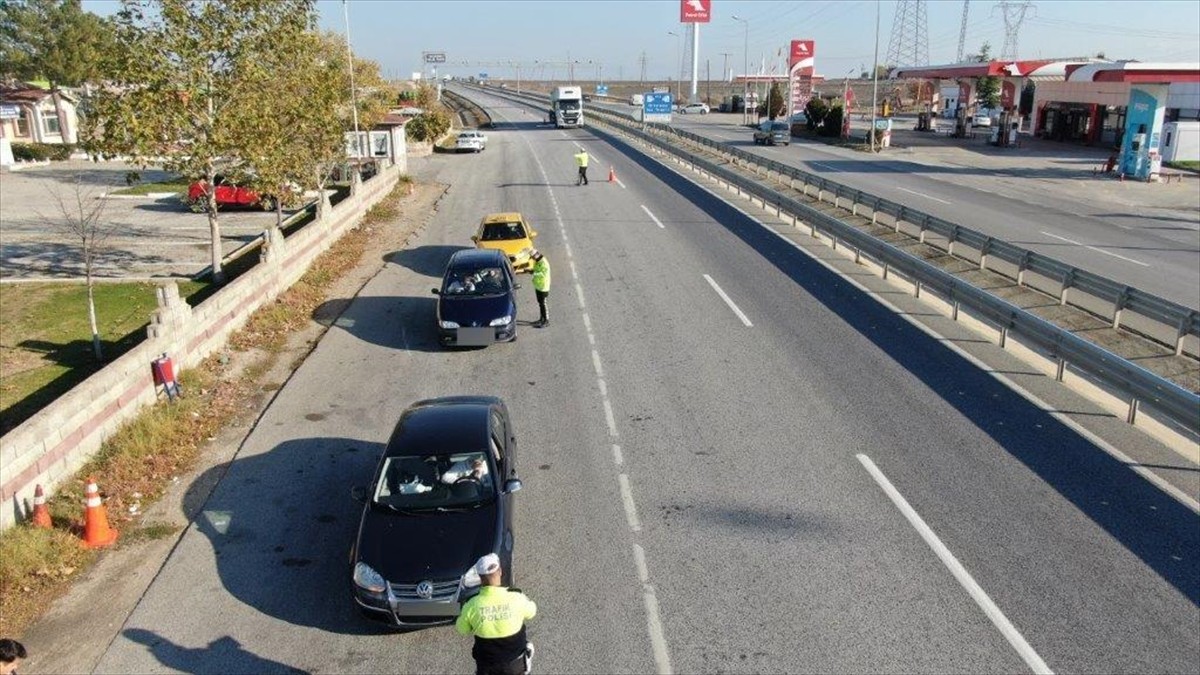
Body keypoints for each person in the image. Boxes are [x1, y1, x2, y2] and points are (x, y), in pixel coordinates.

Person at [456, 554, 536, 675]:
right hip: (515, 665)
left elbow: (461, 629)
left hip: (487, 668)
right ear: (500, 572)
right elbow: (532, 612)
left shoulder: (471, 605)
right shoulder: (516, 598)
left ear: (479, 577)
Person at [530, 250, 551, 327]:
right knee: (540, 304)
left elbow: (542, 274)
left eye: (532, 257)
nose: (532, 259)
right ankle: (541, 319)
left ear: (536, 255)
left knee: (543, 304)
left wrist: (532, 272)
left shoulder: (543, 263)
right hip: (538, 286)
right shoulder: (537, 261)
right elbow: (536, 270)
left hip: (543, 287)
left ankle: (546, 321)